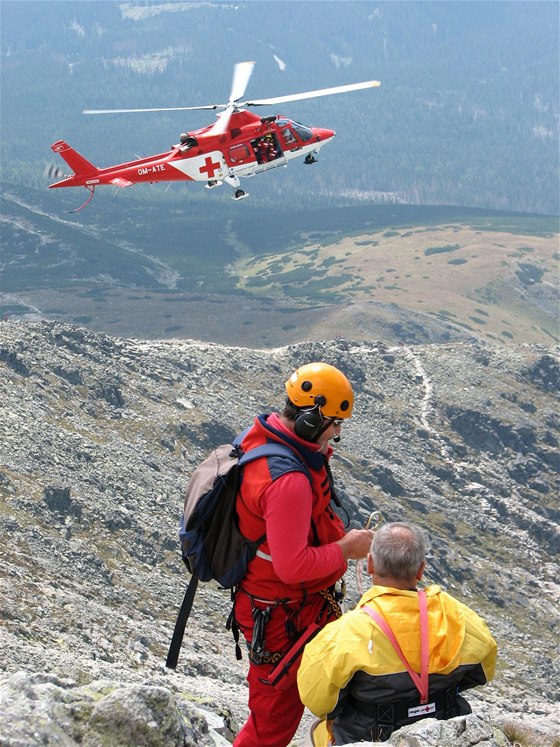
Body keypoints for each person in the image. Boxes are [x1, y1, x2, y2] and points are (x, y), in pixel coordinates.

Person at [232, 362, 374, 747]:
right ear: (312, 420)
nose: (338, 434)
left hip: (296, 607)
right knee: (272, 726)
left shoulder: (267, 439)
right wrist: (346, 550)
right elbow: (291, 566)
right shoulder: (289, 480)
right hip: (283, 616)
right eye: (335, 424)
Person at [298, 521, 497, 745]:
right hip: (444, 729)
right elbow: (483, 671)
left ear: (370, 564)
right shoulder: (457, 616)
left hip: (367, 737)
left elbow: (320, 702)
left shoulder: (344, 632)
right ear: (420, 570)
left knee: (315, 729)